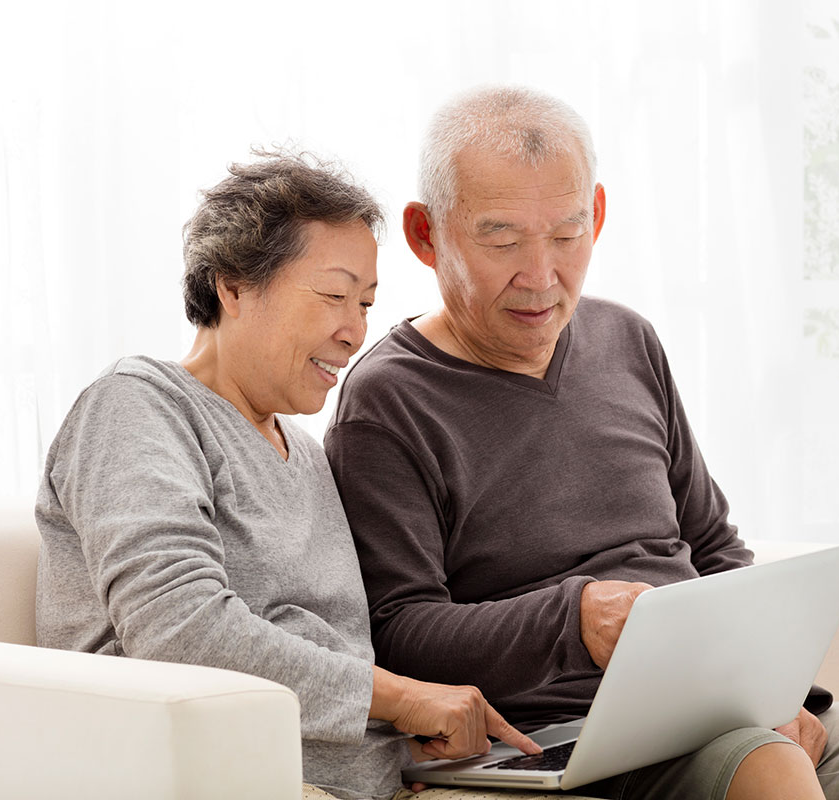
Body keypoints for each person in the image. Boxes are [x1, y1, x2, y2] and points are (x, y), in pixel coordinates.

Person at [324, 87, 839, 800]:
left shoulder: (626, 340)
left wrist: (773, 689)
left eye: (566, 234)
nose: (541, 275)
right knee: (766, 765)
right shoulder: (388, 402)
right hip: (575, 744)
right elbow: (400, 632)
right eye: (502, 239)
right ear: (427, 235)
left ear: (598, 215)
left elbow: (715, 546)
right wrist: (574, 619)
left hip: (720, 719)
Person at [34, 149, 546, 800]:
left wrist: (397, 732)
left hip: (380, 781)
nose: (354, 331)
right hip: (229, 781)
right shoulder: (138, 405)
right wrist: (399, 698)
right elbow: (180, 629)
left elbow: (334, 656)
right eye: (333, 295)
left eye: (365, 303)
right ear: (234, 286)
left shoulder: (306, 453)